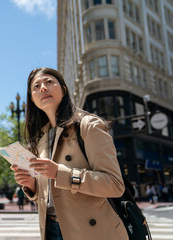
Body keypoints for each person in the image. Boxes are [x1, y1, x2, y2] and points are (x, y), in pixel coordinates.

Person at [11, 68, 128, 240]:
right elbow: (52, 199)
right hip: (50, 230)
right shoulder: (41, 139)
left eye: (49, 82)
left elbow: (115, 185)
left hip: (91, 232)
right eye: (36, 86)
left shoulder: (88, 125)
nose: (43, 88)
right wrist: (32, 186)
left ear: (63, 89)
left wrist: (60, 173)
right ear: (33, 99)